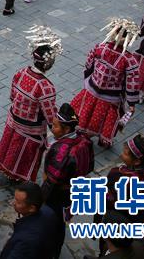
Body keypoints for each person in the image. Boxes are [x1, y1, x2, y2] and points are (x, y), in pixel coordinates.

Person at [0, 26, 60, 182]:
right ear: (48, 63)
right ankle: (19, 175)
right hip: (31, 128)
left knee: (12, 146)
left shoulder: (21, 72)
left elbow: (12, 95)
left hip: (14, 117)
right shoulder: (45, 86)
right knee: (24, 153)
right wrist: (57, 129)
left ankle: (6, 167)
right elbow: (50, 115)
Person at [70, 18, 140, 148]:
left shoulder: (99, 48)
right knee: (107, 119)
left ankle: (82, 132)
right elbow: (132, 83)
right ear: (130, 39)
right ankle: (103, 140)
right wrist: (132, 102)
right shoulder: (129, 60)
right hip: (111, 97)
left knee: (87, 112)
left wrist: (90, 80)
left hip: (92, 89)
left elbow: (88, 65)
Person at [42, 103, 94, 258]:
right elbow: (90, 165)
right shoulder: (83, 139)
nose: (52, 128)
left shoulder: (62, 151)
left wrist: (40, 199)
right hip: (73, 189)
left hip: (58, 194)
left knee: (54, 220)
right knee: (61, 220)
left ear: (66, 130)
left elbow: (51, 181)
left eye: (56, 126)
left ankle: (51, 249)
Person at [0, 181, 58, 259]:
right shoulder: (49, 212)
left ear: (31, 208)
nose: (13, 203)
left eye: (18, 202)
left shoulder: (26, 241)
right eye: (15, 199)